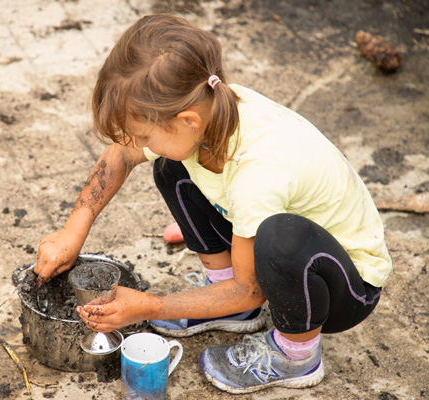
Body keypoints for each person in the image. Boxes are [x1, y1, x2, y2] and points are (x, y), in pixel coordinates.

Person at [34, 14, 392, 394]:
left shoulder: (258, 173)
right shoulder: (208, 111)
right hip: (279, 252)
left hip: (344, 286)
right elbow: (121, 155)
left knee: (278, 239)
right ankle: (229, 306)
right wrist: (72, 231)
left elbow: (250, 288)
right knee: (171, 167)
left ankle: (297, 354)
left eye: (143, 133)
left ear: (186, 120)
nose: (137, 142)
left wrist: (150, 306)